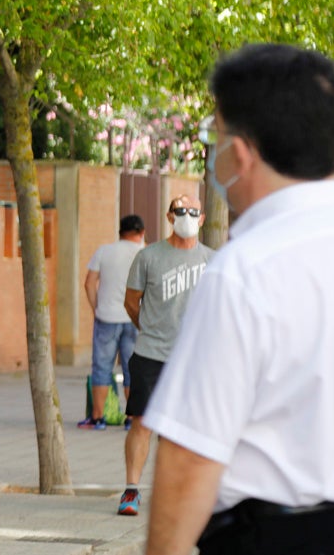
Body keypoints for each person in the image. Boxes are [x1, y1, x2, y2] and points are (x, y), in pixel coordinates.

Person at [145, 44, 334, 555]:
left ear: (243, 151)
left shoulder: (243, 271)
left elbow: (188, 458)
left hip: (275, 537)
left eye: (216, 135)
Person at [118, 194, 214, 516]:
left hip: (193, 359)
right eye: (180, 210)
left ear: (201, 219)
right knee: (142, 423)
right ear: (170, 216)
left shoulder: (214, 260)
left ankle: (174, 491)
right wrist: (148, 327)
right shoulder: (148, 257)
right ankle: (131, 491)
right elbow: (132, 302)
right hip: (151, 354)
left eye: (193, 211)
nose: (187, 215)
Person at [78, 214, 146, 431]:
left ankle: (97, 418)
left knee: (102, 367)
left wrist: (96, 307)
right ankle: (131, 418)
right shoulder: (145, 253)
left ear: (120, 232)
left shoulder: (104, 251)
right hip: (134, 318)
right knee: (132, 368)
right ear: (142, 233)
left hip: (106, 316)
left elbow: (89, 283)